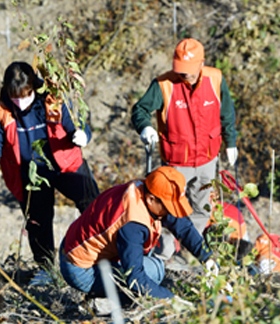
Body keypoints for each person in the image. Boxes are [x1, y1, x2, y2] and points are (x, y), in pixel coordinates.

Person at [0, 62, 99, 284]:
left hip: (64, 163)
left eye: (25, 96)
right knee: (38, 221)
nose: (20, 102)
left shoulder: (52, 99)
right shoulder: (0, 109)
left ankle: (100, 253)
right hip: (30, 173)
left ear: (34, 87)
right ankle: (46, 268)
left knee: (92, 202)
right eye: (15, 97)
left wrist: (82, 135)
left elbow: (76, 121)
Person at [131, 38, 238, 260]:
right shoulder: (164, 84)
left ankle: (187, 252)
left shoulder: (216, 79)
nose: (185, 74)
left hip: (208, 158)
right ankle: (163, 255)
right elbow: (140, 109)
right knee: (169, 210)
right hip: (176, 161)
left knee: (202, 209)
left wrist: (231, 142)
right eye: (180, 69)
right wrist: (145, 128)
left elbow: (226, 113)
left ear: (202, 63)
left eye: (189, 69)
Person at [60, 166, 216, 301]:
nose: (171, 212)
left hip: (74, 246)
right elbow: (135, 278)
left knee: (151, 267)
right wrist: (171, 300)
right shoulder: (132, 223)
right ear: (151, 199)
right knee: (154, 271)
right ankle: (105, 302)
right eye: (168, 207)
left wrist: (207, 258)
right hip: (81, 269)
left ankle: (108, 294)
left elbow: (182, 226)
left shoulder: (145, 188)